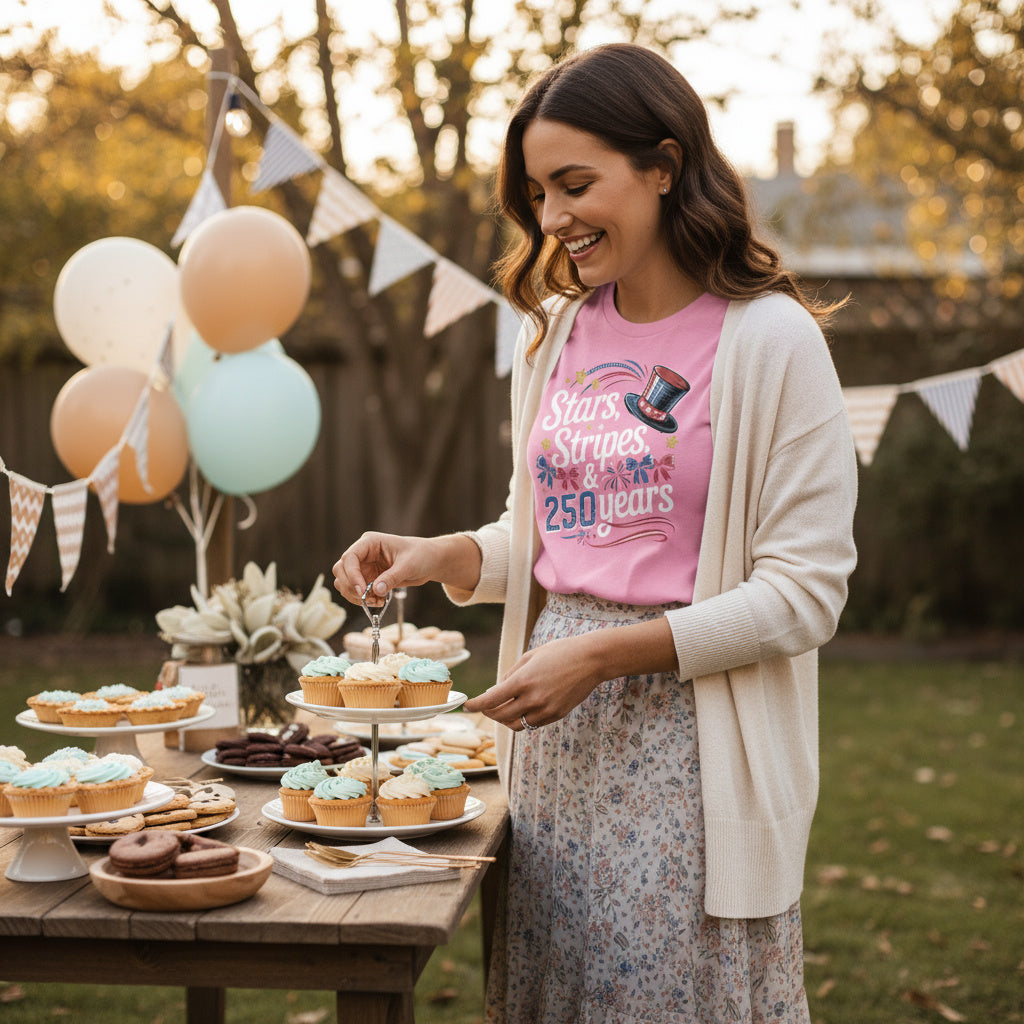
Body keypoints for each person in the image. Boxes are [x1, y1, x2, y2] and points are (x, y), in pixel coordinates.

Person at [333, 42, 858, 1024]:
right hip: (554, 744)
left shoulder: (771, 341)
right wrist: (443, 555)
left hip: (690, 752)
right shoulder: (556, 332)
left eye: (575, 185)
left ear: (663, 167)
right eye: (538, 194)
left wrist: (603, 656)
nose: (552, 219)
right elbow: (550, 537)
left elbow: (805, 592)